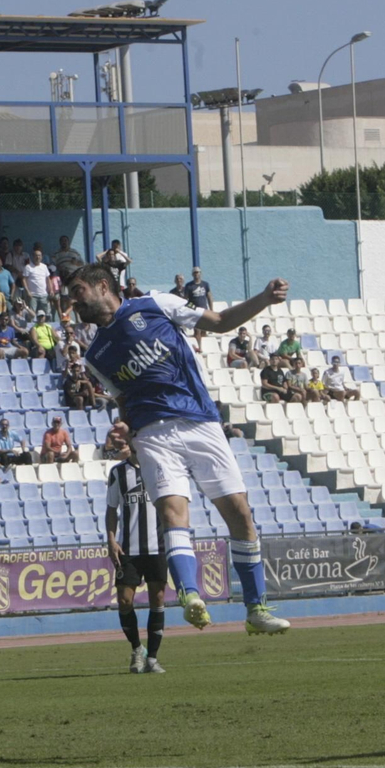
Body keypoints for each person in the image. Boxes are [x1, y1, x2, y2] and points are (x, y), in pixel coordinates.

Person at [69, 265, 290, 633]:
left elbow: (218, 321)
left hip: (201, 421)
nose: (72, 300)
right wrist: (129, 431)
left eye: (77, 291)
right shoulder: (96, 356)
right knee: (174, 512)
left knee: (240, 513)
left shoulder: (156, 304)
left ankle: (256, 610)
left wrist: (264, 299)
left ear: (102, 285)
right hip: (153, 434)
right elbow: (123, 400)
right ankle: (191, 596)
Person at [106, 445, 168, 675]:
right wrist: (111, 540)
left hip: (158, 546)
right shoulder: (118, 472)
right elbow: (111, 509)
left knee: (158, 598)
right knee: (124, 600)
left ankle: (152, 658)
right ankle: (137, 649)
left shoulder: (161, 468)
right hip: (128, 548)